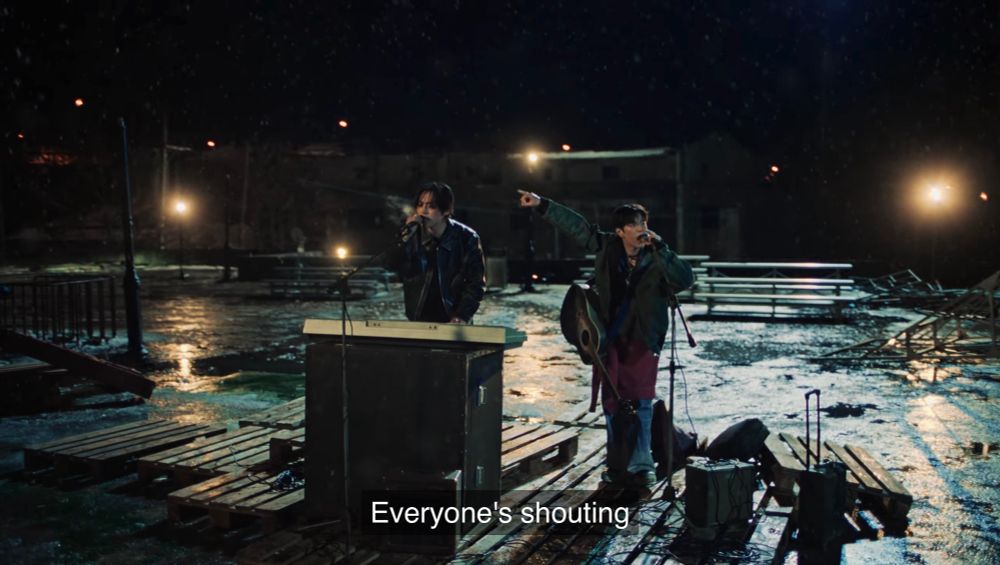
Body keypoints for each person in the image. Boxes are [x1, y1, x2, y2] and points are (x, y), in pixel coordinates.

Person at [518, 189, 694, 487]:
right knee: (612, 403)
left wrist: (662, 249)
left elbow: (685, 280)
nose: (642, 230)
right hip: (610, 340)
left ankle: (642, 465)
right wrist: (542, 204)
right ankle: (616, 465)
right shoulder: (607, 247)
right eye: (635, 225)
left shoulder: (656, 256)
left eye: (643, 223)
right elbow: (577, 226)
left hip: (643, 340)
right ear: (620, 231)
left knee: (641, 403)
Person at [388, 182, 486, 324]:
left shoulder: (466, 238)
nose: (423, 211)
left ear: (446, 210)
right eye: (420, 205)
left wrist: (462, 316)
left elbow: (475, 283)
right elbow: (390, 264)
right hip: (419, 319)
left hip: (453, 318)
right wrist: (405, 236)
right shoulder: (411, 235)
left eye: (431, 206)